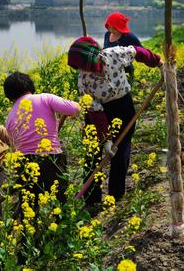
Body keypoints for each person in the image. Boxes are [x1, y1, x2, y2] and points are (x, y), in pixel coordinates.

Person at [68, 36, 162, 204]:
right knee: (93, 156)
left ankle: (115, 196)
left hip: (123, 106)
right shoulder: (83, 80)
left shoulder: (114, 54)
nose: (87, 71)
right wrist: (106, 140)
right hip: (98, 115)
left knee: (122, 150)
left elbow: (138, 52)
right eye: (81, 68)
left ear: (97, 57)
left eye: (89, 67)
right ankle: (91, 199)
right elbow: (95, 112)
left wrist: (158, 62)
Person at [4, 72, 80, 204]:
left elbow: (14, 145)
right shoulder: (44, 98)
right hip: (50, 157)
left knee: (30, 206)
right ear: (29, 85)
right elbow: (75, 109)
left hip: (24, 162)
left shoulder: (9, 118)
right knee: (60, 200)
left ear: (9, 95)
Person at [103, 11, 142, 82]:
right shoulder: (107, 35)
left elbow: (141, 50)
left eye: (115, 28)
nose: (112, 30)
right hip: (109, 72)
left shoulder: (129, 36)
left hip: (125, 72)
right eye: (110, 27)